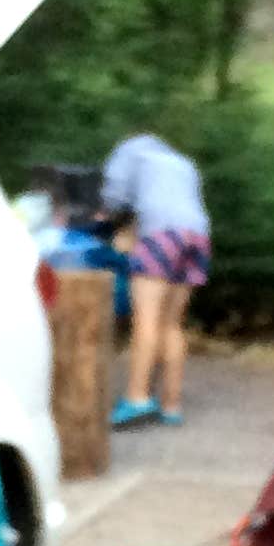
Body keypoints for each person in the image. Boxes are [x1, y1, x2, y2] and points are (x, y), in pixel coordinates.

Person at [100, 128, 209, 430]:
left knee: (146, 320)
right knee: (172, 323)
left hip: (160, 235)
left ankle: (137, 398)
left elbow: (114, 195)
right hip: (197, 235)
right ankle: (171, 405)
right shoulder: (182, 162)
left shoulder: (130, 152)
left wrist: (107, 215)